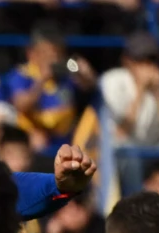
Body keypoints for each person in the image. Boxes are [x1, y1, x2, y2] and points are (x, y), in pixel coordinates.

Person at [6, 24, 96, 157]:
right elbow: (21, 105)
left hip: (66, 144)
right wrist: (42, 80)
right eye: (48, 55)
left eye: (58, 54)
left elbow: (91, 87)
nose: (54, 60)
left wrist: (85, 72)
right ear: (32, 54)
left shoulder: (66, 77)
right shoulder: (22, 76)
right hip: (34, 147)